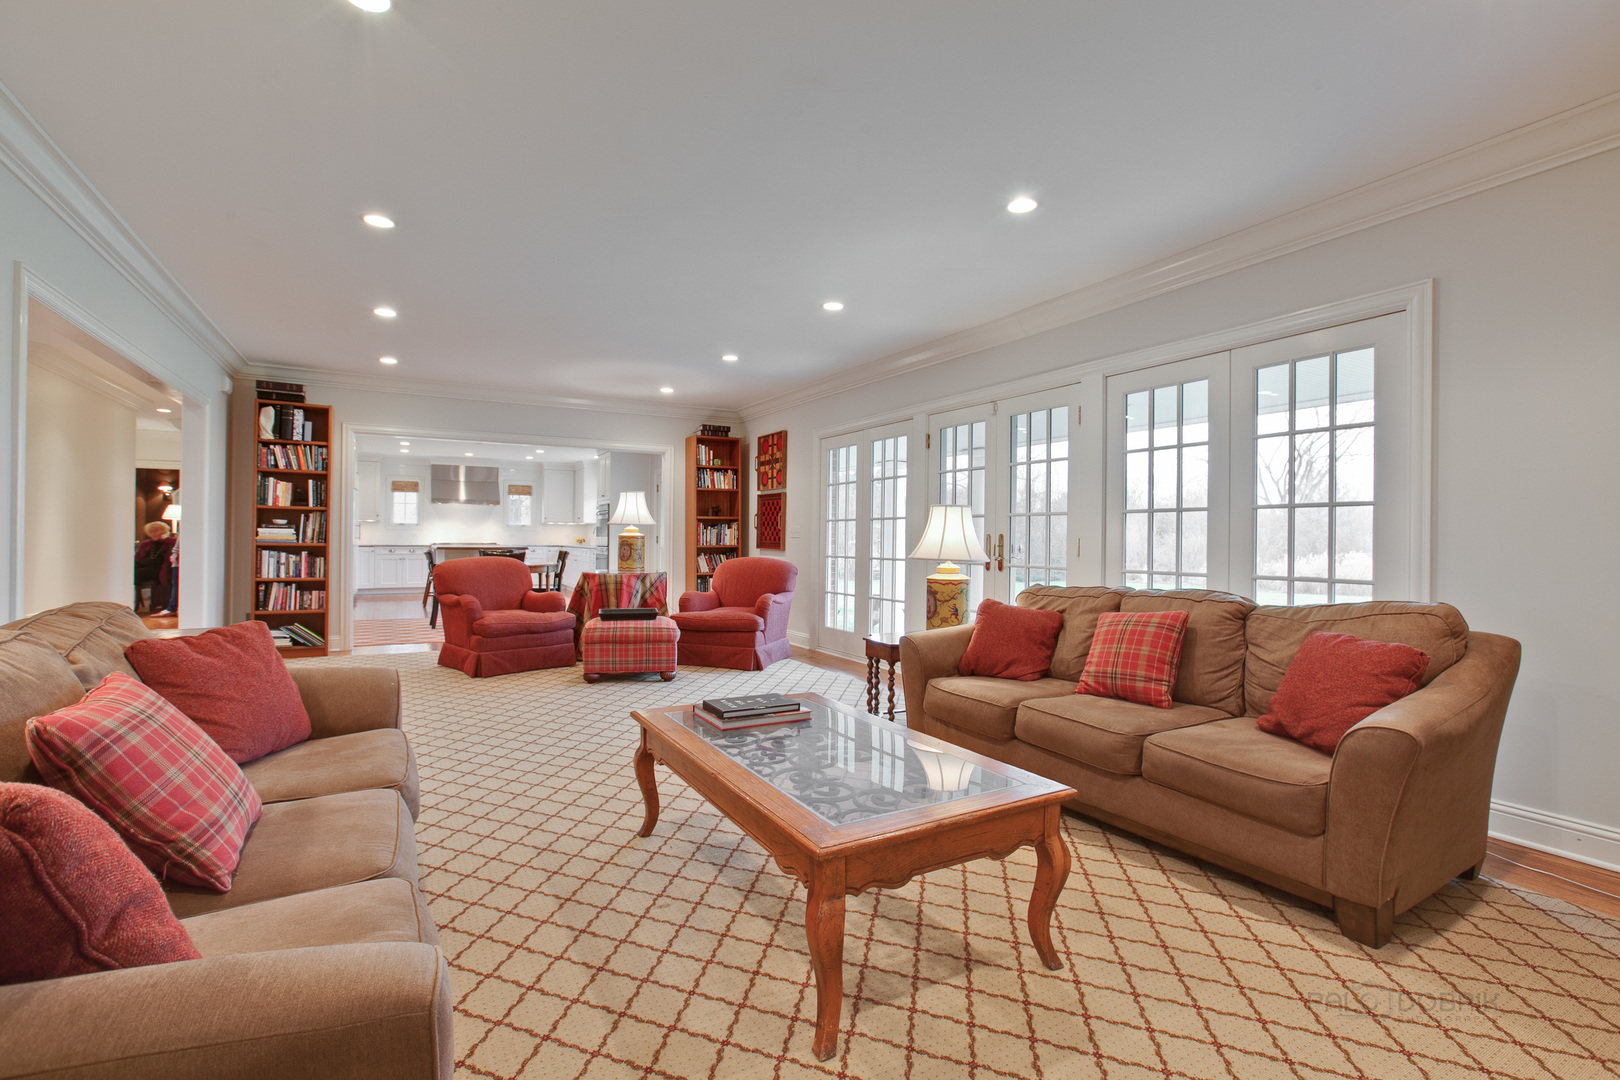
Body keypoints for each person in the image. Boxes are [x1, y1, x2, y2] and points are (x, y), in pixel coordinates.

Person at [134, 521, 176, 615]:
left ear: (163, 531)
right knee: (134, 570)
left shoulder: (168, 542)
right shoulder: (146, 543)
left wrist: (166, 538)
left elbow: (177, 543)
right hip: (144, 566)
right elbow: (138, 558)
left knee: (138, 573)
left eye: (157, 531)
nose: (154, 533)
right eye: (152, 531)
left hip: (160, 570)